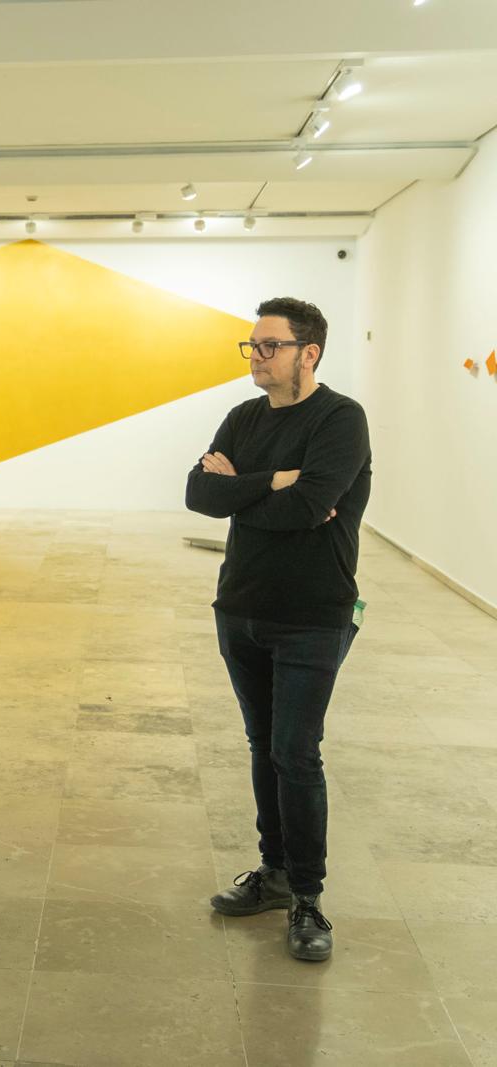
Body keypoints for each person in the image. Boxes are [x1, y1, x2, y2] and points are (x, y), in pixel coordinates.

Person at [185, 296, 371, 961]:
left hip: (312, 617)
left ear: (307, 353)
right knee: (264, 745)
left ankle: (308, 898)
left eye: (270, 346)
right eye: (252, 345)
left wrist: (245, 490)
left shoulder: (340, 419)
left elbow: (311, 507)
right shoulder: (244, 416)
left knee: (296, 751)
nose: (256, 356)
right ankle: (274, 872)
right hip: (240, 608)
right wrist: (276, 482)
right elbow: (198, 494)